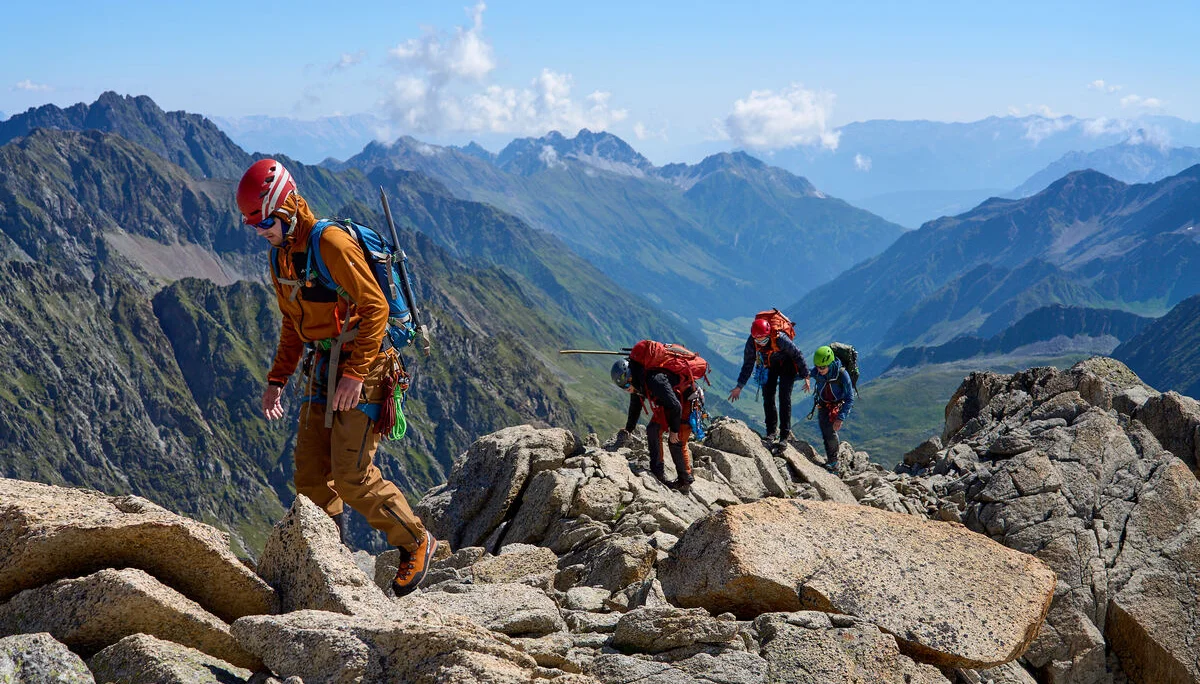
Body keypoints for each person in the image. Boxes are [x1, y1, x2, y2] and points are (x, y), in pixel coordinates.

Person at [237, 159, 436, 597]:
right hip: (323, 364)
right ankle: (333, 562)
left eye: (265, 222)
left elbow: (375, 308)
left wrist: (355, 374)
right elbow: (293, 323)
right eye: (253, 225)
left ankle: (416, 540)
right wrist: (276, 380)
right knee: (311, 475)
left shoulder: (330, 244)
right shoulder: (281, 256)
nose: (260, 231)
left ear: (286, 208)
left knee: (351, 475)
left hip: (367, 363)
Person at [611, 342, 703, 491]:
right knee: (653, 429)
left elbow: (676, 407)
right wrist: (629, 429)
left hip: (687, 400)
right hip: (671, 401)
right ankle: (657, 472)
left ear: (630, 377)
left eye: (627, 386)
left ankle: (685, 480)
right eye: (623, 388)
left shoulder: (654, 380)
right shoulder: (638, 382)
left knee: (676, 441)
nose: (627, 390)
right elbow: (635, 406)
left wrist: (674, 430)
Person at [728, 318, 811, 442]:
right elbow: (748, 364)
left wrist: (806, 375)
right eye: (758, 340)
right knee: (767, 397)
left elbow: (797, 354)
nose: (761, 343)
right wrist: (739, 386)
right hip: (769, 364)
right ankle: (771, 432)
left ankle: (784, 435)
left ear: (768, 334)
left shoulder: (780, 338)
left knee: (784, 397)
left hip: (787, 364)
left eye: (763, 340)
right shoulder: (752, 341)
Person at [809, 345, 855, 473]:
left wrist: (840, 418)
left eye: (822, 367)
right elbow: (804, 373)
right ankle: (831, 461)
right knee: (825, 431)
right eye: (817, 366)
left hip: (837, 405)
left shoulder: (842, 374)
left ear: (830, 363)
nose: (819, 370)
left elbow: (850, 398)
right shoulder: (818, 371)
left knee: (829, 431)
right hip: (823, 403)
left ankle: (834, 463)